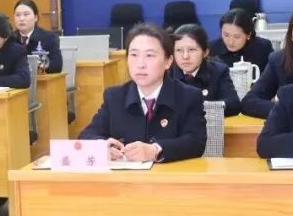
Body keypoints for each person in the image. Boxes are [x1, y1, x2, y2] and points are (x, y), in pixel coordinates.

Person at [79, 23, 207, 162]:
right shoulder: (115, 97)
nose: (140, 64)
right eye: (134, 55)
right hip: (126, 175)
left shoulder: (189, 96)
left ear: (168, 61)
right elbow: (87, 136)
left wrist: (155, 150)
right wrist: (102, 147)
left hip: (170, 174)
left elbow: (196, 142)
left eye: (149, 55)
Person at [169, 24, 241, 116]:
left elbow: (233, 104)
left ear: (205, 52)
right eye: (179, 50)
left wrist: (203, 106)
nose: (185, 56)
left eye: (192, 49)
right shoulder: (166, 73)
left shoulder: (218, 71)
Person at [209, 8, 273, 72]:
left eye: (237, 37)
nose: (231, 42)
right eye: (226, 35)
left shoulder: (263, 47)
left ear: (248, 35)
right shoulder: (211, 49)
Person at [12, 0, 62, 74]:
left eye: (26, 14)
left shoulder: (49, 37)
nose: (21, 19)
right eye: (18, 15)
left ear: (36, 17)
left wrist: (41, 65)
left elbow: (57, 66)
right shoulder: (10, 39)